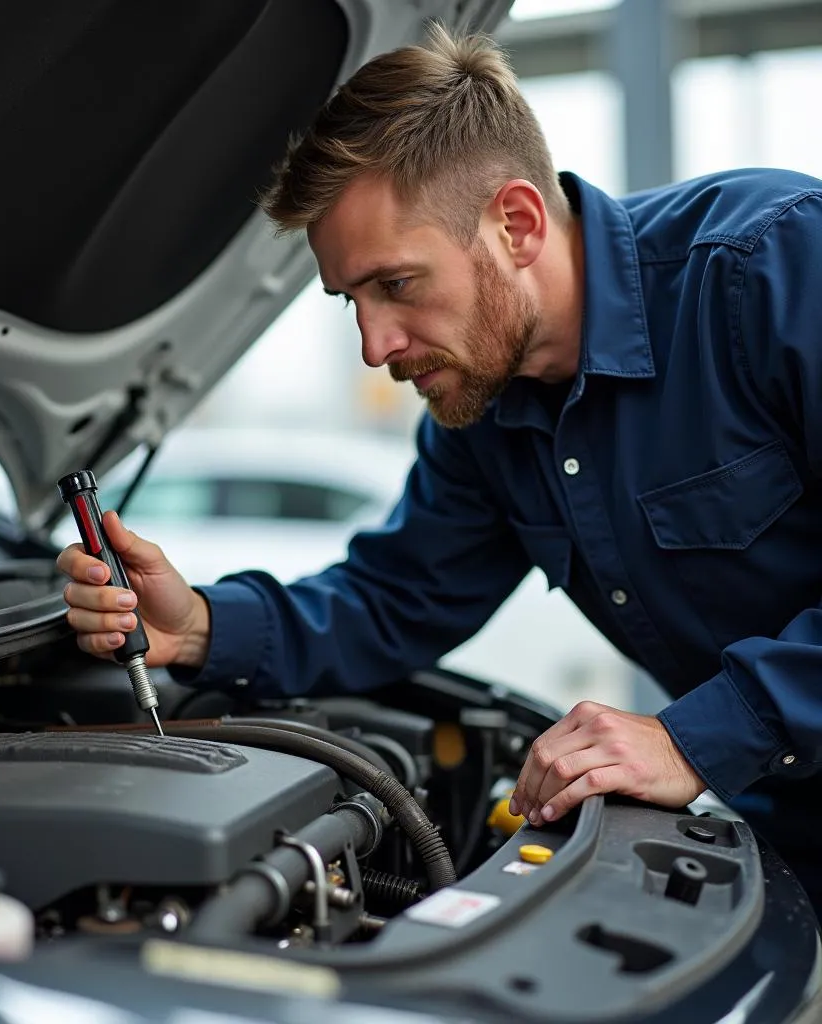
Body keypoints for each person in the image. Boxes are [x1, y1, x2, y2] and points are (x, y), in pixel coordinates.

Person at [57, 24, 822, 910]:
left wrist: (698, 737)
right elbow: (396, 600)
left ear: (518, 223)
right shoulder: (483, 408)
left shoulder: (769, 267)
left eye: (397, 285)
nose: (376, 346)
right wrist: (195, 626)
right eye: (351, 301)